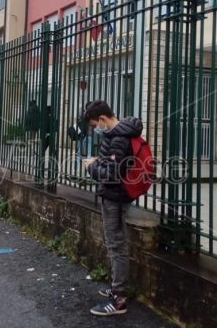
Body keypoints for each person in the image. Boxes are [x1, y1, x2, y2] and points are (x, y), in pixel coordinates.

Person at [82, 100, 143, 316]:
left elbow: (112, 174)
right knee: (115, 243)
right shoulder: (121, 134)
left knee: (116, 245)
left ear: (102, 119)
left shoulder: (118, 138)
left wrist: (91, 167)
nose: (95, 129)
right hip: (117, 196)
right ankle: (117, 287)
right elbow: (117, 164)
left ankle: (119, 300)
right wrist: (102, 160)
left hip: (115, 198)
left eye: (94, 124)